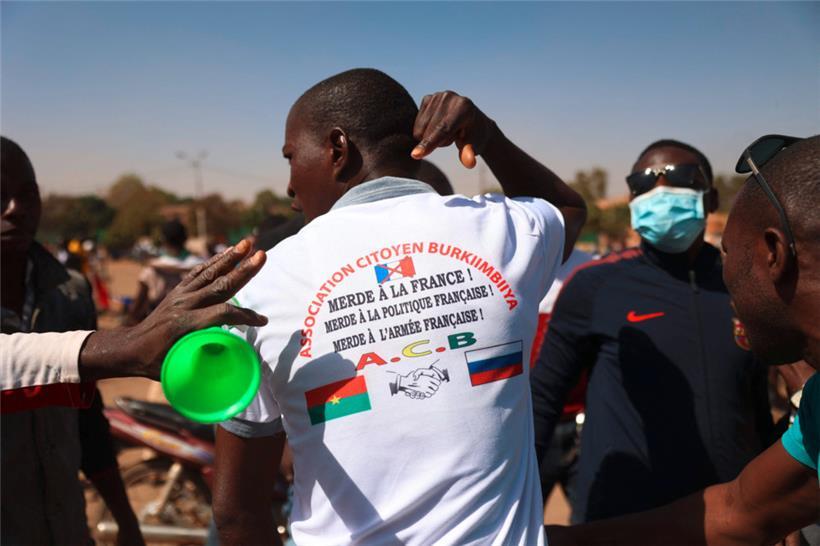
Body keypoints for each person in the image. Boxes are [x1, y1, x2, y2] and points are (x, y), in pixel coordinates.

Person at [212, 68, 586, 545]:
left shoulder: (261, 287)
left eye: (291, 158)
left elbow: (236, 513)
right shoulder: (502, 232)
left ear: (337, 148)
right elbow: (568, 211)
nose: (289, 188)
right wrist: (487, 136)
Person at [547, 134, 819, 545]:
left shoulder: (748, 287)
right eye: (642, 185)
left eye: (678, 182)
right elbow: (539, 401)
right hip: (624, 518)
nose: (658, 195)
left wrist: (783, 508)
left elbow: (757, 421)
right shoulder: (596, 286)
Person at [0, 136, 143, 545]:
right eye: (0, 196)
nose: (17, 209)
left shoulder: (71, 293)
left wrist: (125, 518)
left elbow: (87, 419)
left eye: (28, 195)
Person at [1, 239, 268, 409]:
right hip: (167, 338)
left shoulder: (77, 286)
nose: (14, 208)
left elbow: (141, 298)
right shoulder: (191, 264)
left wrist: (136, 328)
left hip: (168, 337)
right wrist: (133, 341)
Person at [529, 249, 595, 510]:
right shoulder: (509, 267)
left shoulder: (592, 271)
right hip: (529, 428)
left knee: (594, 524)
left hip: (582, 427)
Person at [127, 218, 203, 325]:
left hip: (158, 328)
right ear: (185, 239)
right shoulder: (200, 266)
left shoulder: (151, 270)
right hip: (193, 326)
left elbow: (137, 308)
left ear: (163, 239)